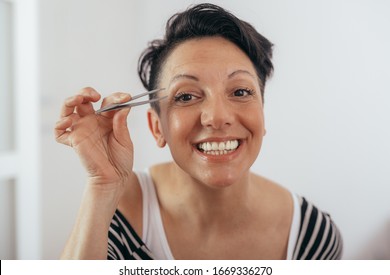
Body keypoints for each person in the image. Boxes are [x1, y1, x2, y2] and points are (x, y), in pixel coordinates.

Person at [54, 3, 343, 260]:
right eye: (186, 96)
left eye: (241, 91)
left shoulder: (311, 236)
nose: (217, 117)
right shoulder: (119, 213)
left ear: (262, 116)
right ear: (158, 127)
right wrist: (102, 185)